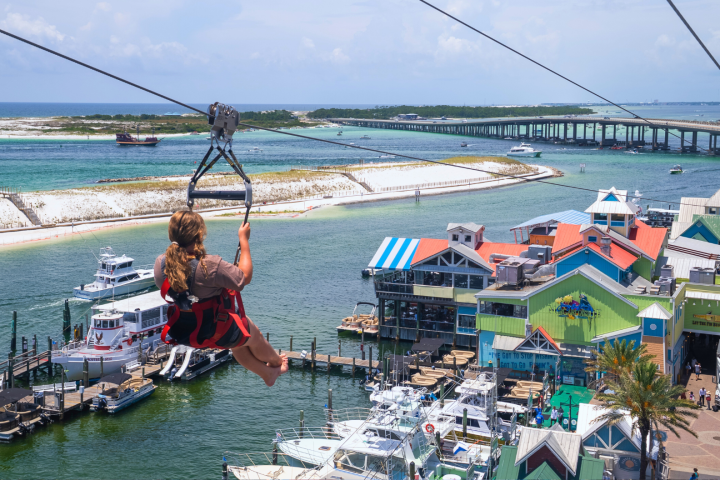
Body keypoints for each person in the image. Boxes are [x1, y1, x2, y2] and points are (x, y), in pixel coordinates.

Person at [154, 211, 288, 387]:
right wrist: (244, 240)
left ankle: (267, 374)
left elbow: (178, 282)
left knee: (239, 343)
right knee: (253, 334)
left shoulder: (161, 264)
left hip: (184, 332)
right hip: (218, 331)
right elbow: (244, 277)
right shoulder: (209, 265)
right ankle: (277, 363)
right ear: (200, 235)